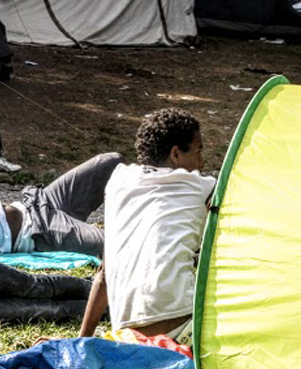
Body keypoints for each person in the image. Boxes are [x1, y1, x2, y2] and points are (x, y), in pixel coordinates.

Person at [78, 109, 216, 344]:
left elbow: (104, 274)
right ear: (176, 154)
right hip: (181, 329)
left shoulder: (119, 182)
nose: (202, 163)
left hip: (127, 338)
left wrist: (82, 341)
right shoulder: (200, 186)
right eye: (198, 151)